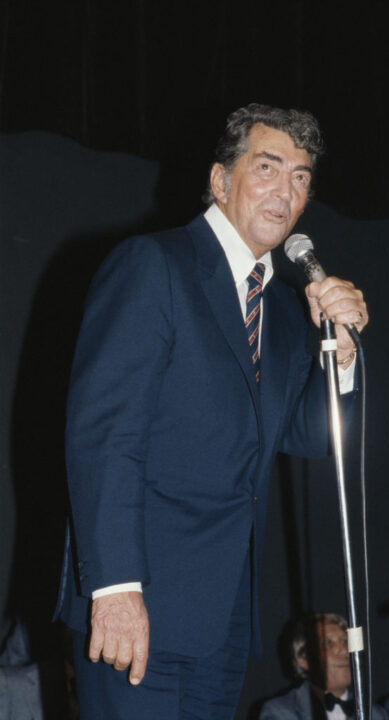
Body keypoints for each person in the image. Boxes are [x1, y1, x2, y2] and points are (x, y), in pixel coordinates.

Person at [54, 103, 368, 719]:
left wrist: (344, 353)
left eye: (302, 178)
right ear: (221, 180)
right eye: (269, 167)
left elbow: (308, 436)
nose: (287, 190)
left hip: (222, 623)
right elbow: (105, 435)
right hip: (135, 605)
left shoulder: (280, 313)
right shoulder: (155, 265)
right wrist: (114, 588)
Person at [259, 613, 387, 720]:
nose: (344, 651)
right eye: (328, 643)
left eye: (345, 642)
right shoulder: (280, 712)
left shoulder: (375, 714)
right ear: (304, 660)